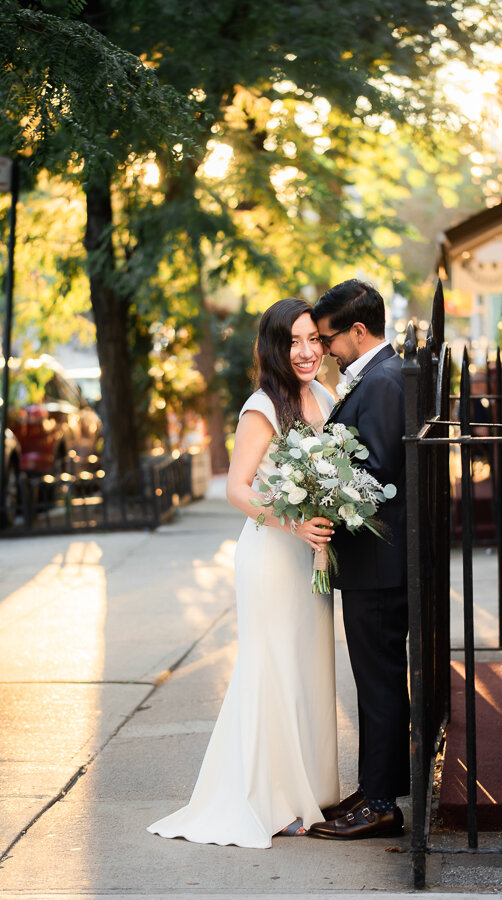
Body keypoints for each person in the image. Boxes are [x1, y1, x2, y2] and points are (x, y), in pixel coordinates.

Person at [148, 298, 339, 849]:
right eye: (293, 342)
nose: (305, 352)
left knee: (308, 668)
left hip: (311, 555)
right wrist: (293, 524)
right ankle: (273, 799)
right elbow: (237, 488)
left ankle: (312, 788)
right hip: (272, 555)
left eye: (312, 340)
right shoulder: (263, 406)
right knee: (273, 668)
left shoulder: (324, 395)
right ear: (274, 348)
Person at [308, 278, 409, 840]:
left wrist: (321, 487)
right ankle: (377, 786)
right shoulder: (377, 376)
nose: (323, 348)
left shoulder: (384, 382)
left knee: (379, 684)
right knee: (377, 682)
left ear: (358, 331)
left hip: (379, 563)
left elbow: (375, 477)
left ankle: (381, 805)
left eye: (328, 338)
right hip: (375, 562)